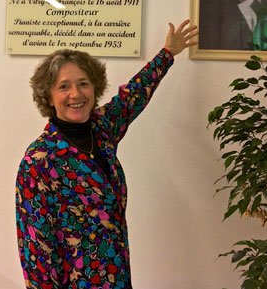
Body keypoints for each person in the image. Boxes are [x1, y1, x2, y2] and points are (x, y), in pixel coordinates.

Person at [15, 20, 198, 289]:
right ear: (49, 96)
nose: (76, 94)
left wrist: (167, 54)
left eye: (84, 83)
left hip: (117, 276)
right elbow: (35, 251)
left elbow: (134, 95)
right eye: (64, 86)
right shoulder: (39, 160)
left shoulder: (102, 129)